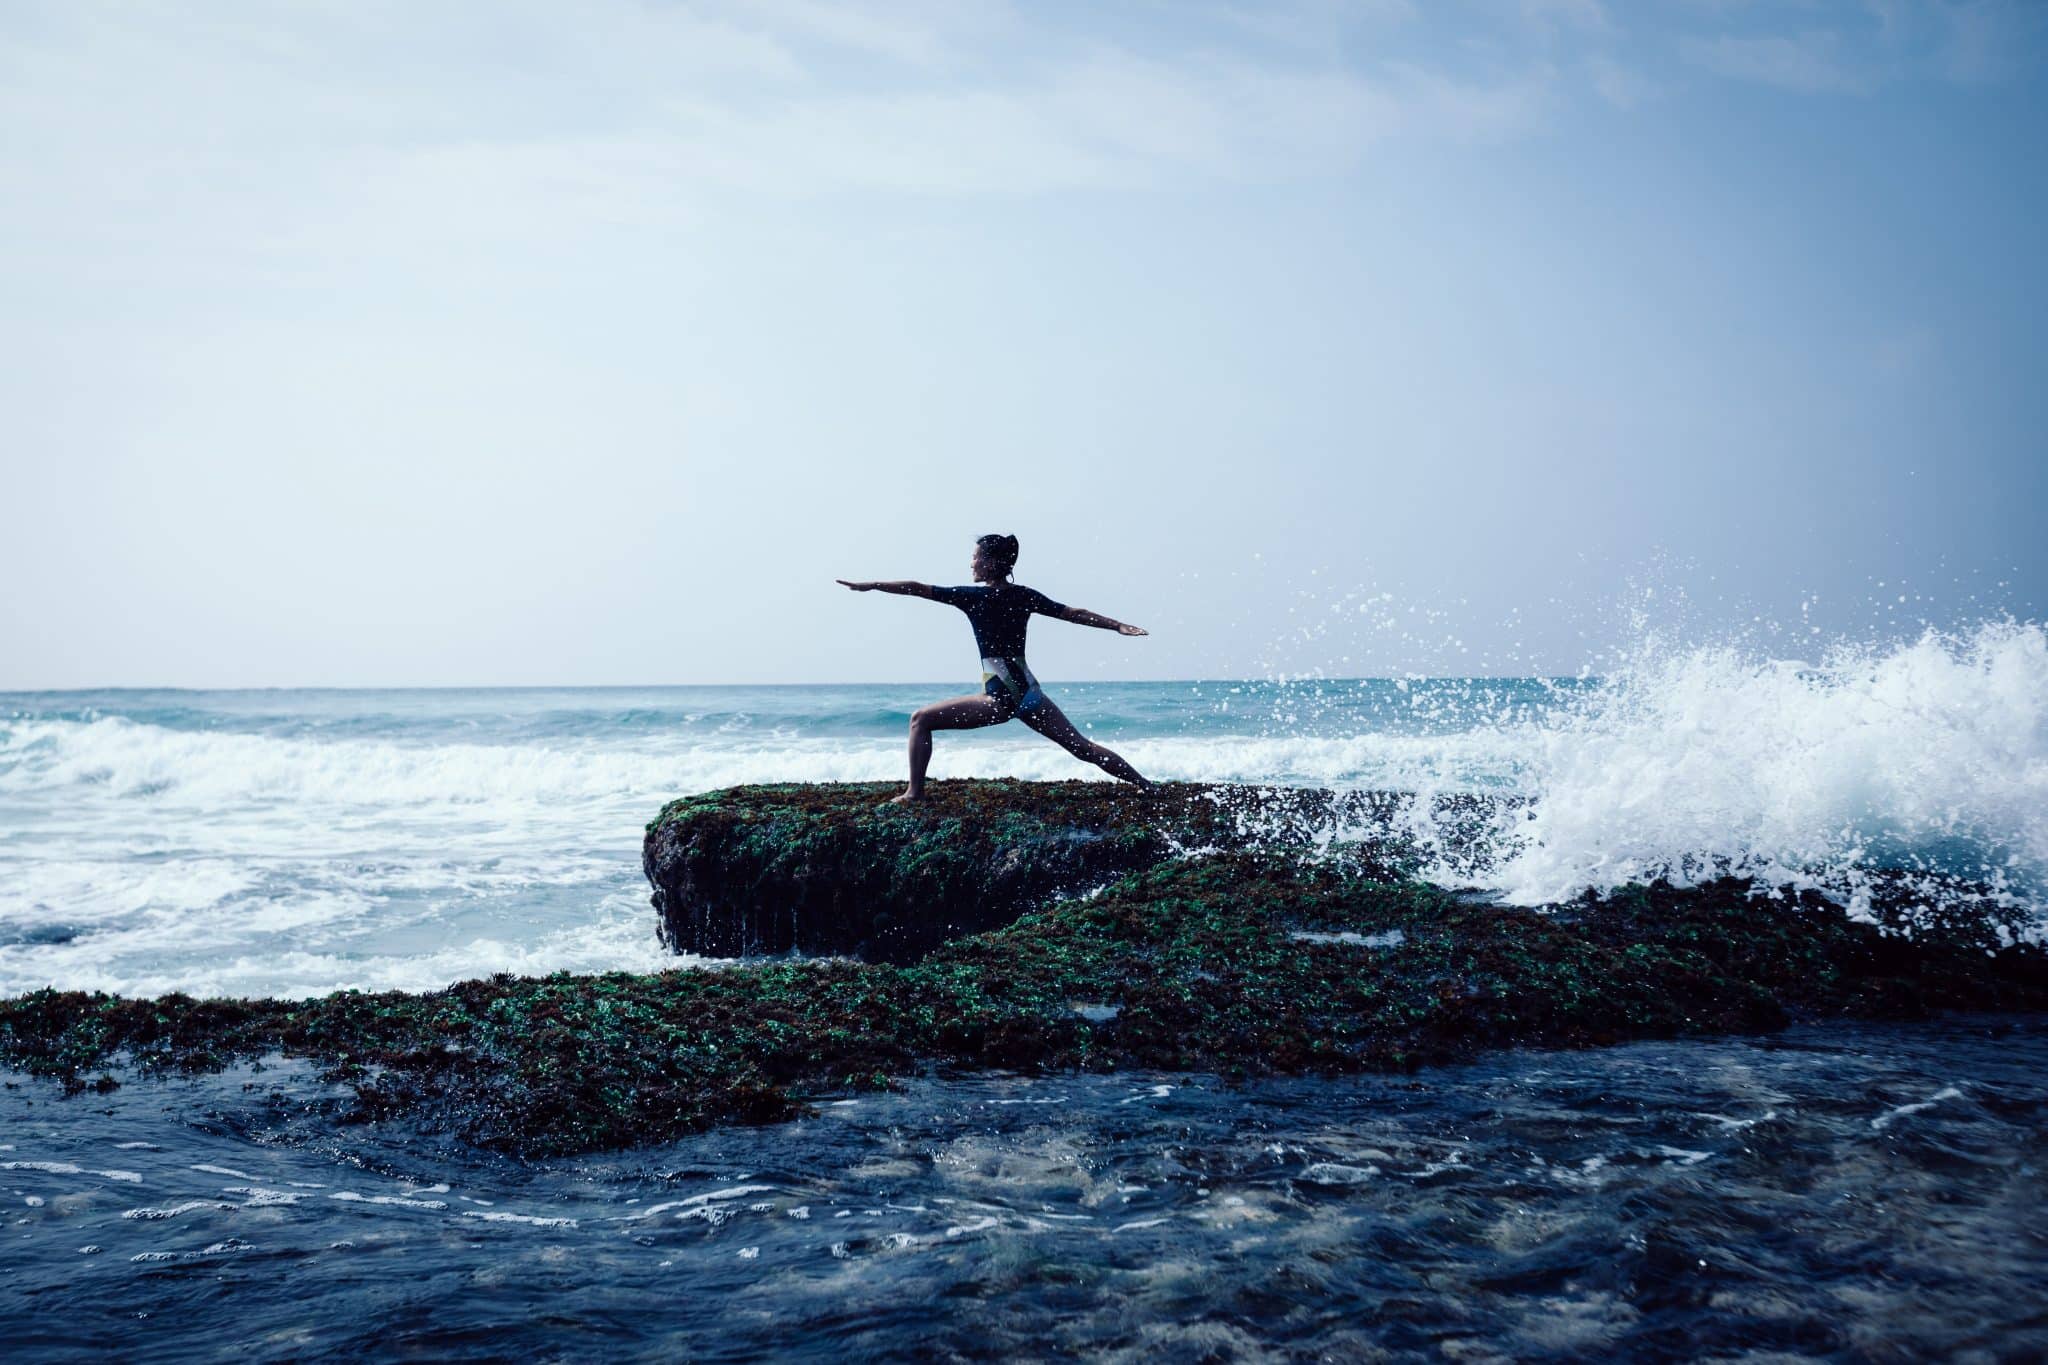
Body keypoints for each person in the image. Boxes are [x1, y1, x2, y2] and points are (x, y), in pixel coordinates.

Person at [838, 533, 1152, 803]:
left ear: (990, 562)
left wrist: (874, 585)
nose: (971, 563)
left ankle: (914, 793)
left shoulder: (971, 597)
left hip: (1000, 698)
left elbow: (917, 588)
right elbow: (1073, 613)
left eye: (974, 558)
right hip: (1030, 693)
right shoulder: (1024, 595)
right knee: (1082, 747)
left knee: (920, 719)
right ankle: (1146, 785)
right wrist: (1118, 626)